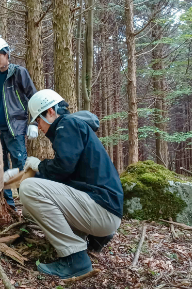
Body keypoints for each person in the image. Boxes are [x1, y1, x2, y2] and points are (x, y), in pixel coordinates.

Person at [18, 89, 124, 280]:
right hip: (103, 210)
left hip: (101, 209)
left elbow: (62, 168)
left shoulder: (66, 125)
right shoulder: (72, 127)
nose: (39, 127)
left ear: (50, 111)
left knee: (29, 189)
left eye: (38, 120)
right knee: (28, 210)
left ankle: (75, 259)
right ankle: (93, 238)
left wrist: (39, 165)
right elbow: (67, 176)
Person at [0, 37, 39, 210]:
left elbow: (33, 97)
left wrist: (34, 122)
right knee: (1, 167)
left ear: (6, 54)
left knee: (21, 165)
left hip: (16, 128)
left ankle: (30, 206)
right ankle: (9, 207)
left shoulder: (18, 72)